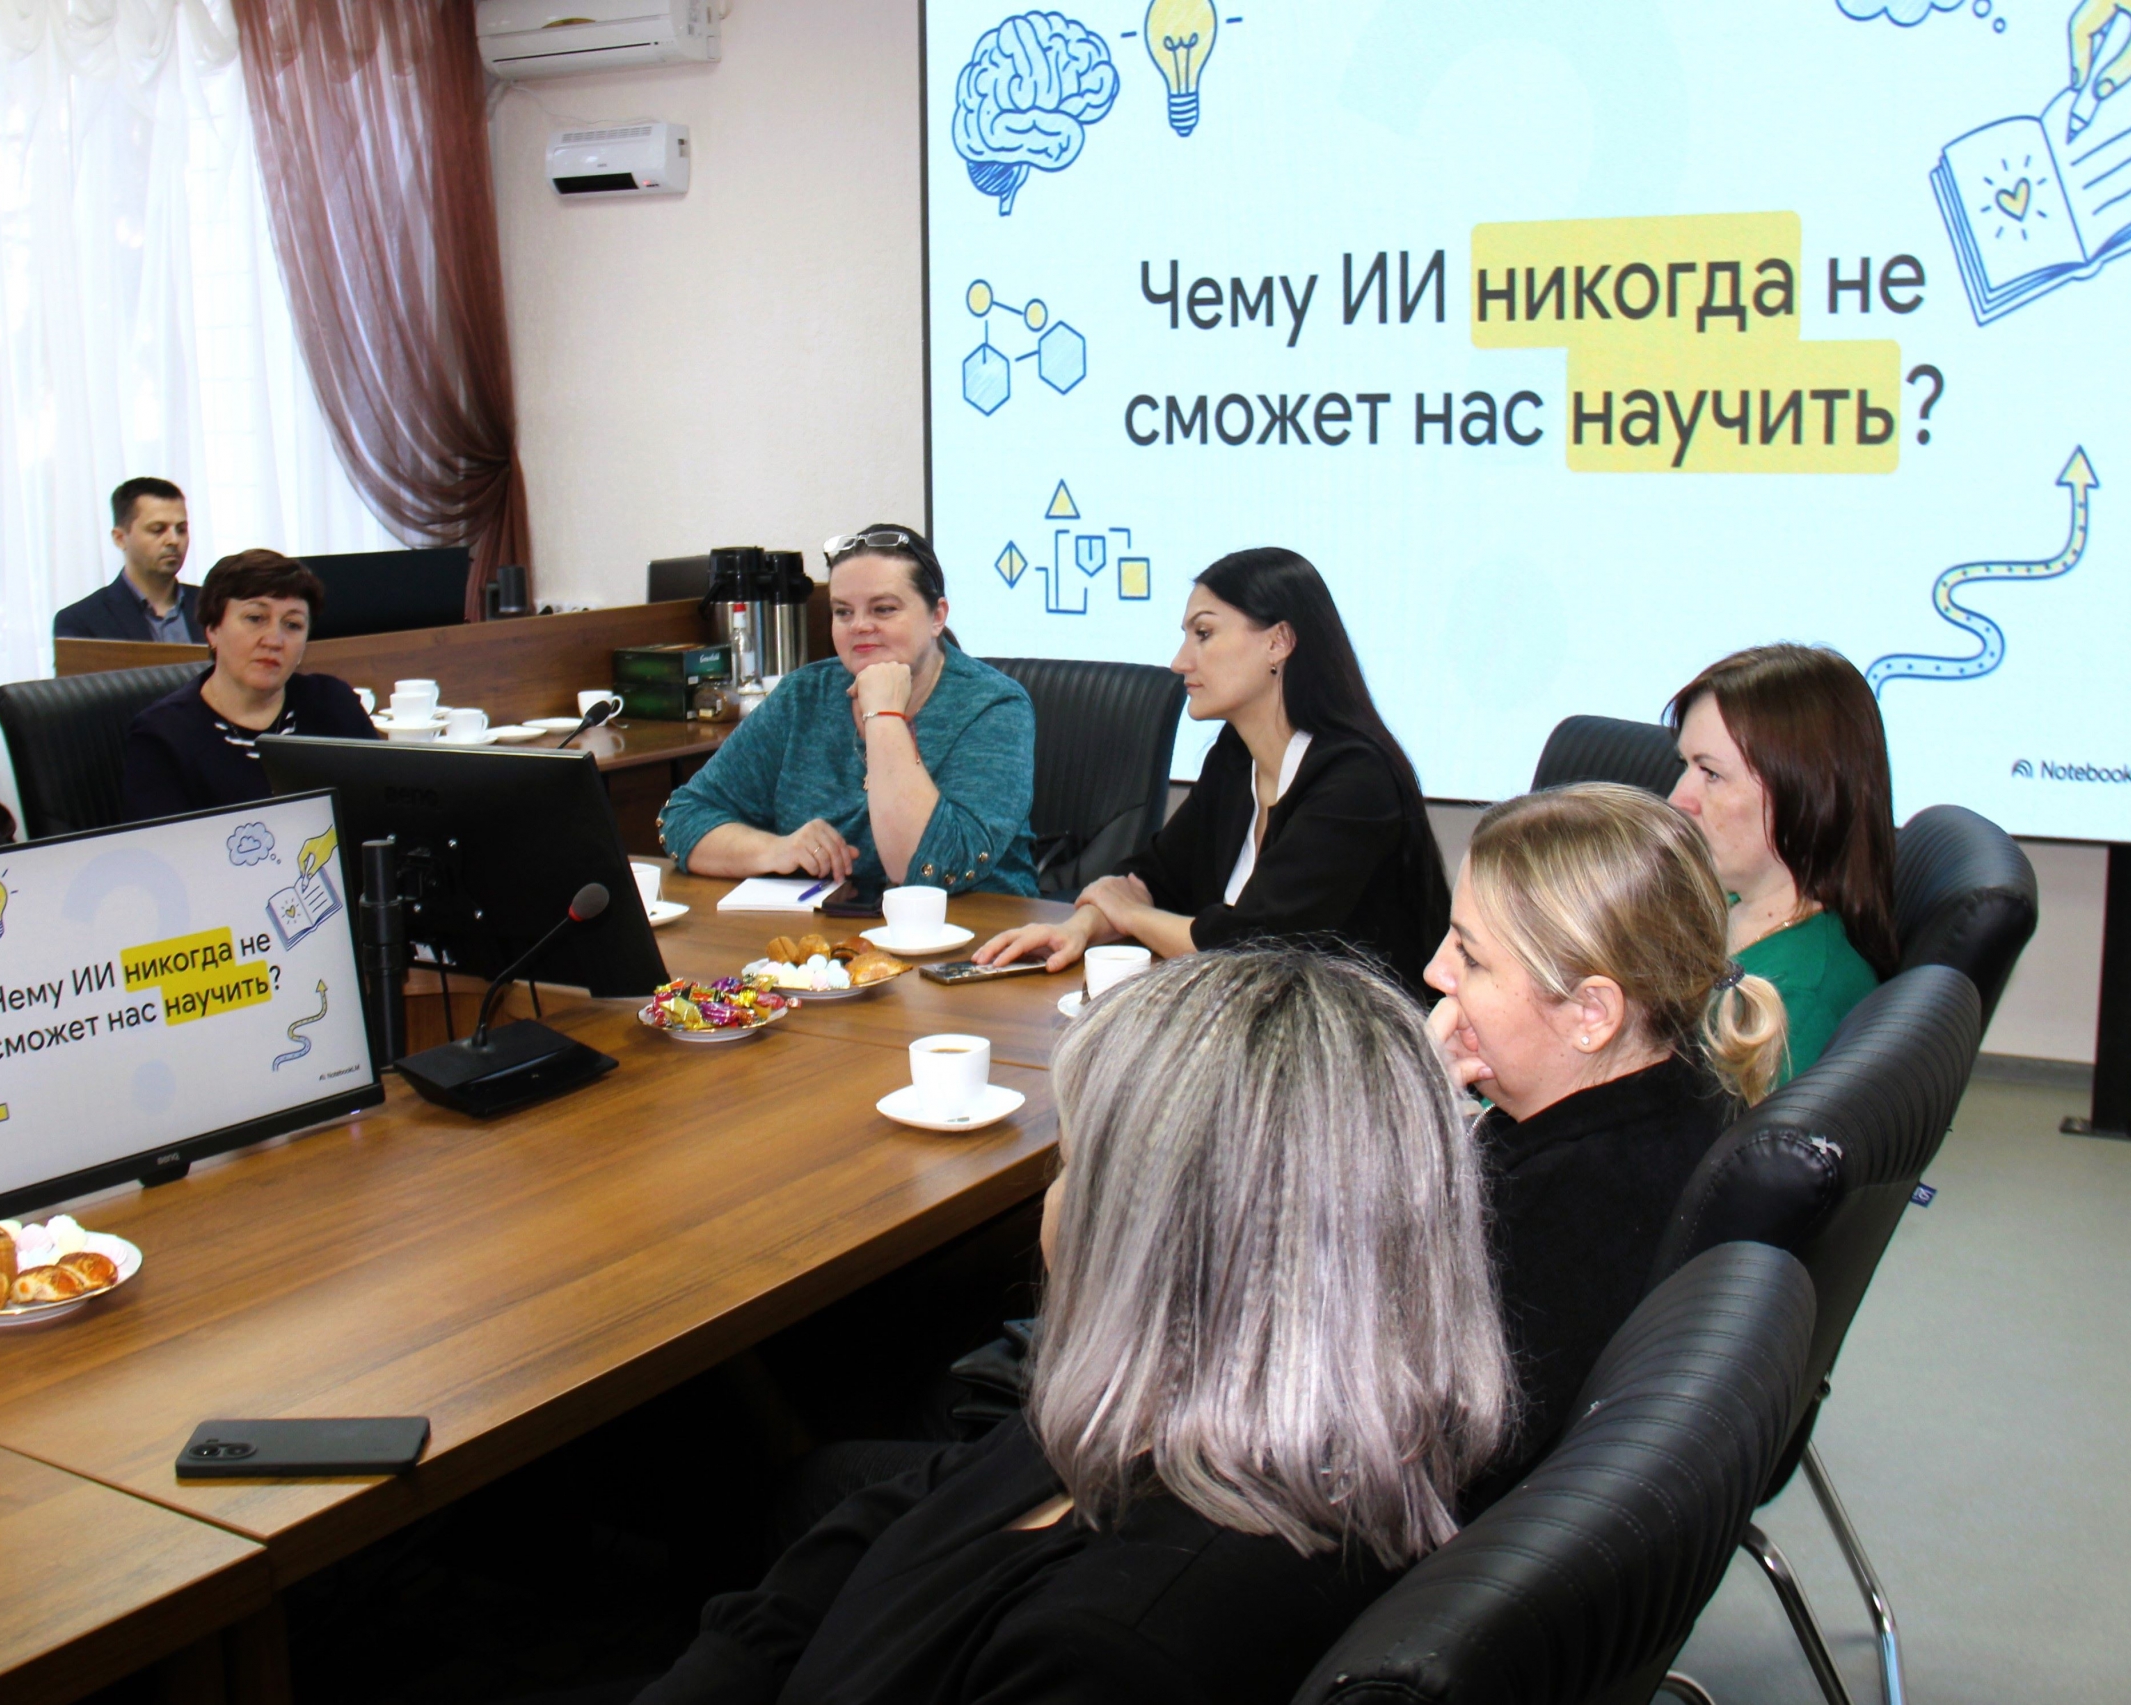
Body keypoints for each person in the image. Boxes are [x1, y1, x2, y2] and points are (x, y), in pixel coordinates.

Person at [633, 947, 1512, 1705]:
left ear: (1156, 1243)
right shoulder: (1178, 1408)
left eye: (1073, 1163)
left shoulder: (1108, 1652)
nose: (1050, 1200)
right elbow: (902, 1517)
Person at [1426, 783, 1787, 1477]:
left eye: (1470, 956)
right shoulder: (1688, 1087)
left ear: (1592, 1013)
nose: (1436, 971)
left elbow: (1414, 1444)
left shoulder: (1559, 1208)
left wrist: (1411, 1141)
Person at [974, 547, 1448, 997]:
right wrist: (1079, 929)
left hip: (1360, 1038)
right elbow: (1154, 877)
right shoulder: (1236, 755)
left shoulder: (1357, 780)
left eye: (1203, 634)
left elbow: (1258, 949)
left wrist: (1131, 917)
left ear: (1279, 643)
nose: (1180, 662)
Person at [658, 526, 1038, 895]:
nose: (859, 626)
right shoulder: (803, 695)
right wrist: (775, 850)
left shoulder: (994, 706)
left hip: (976, 928)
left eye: (883, 609)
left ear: (937, 616)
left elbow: (928, 870)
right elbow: (683, 818)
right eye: (842, 612)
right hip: (831, 928)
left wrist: (885, 716)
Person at [1668, 643, 1898, 1082]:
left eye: (1711, 774)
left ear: (1804, 795)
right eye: (1685, 766)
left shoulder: (1800, 999)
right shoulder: (1726, 907)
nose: (1679, 799)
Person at [121, 550, 377, 820]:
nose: (274, 640)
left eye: (292, 625)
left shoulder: (334, 703)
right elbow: (164, 845)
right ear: (213, 629)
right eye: (255, 618)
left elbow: (381, 812)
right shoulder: (162, 737)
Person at [54, 477, 204, 643]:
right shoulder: (83, 621)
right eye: (157, 529)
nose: (173, 540)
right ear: (120, 538)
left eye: (181, 530)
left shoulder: (214, 607)